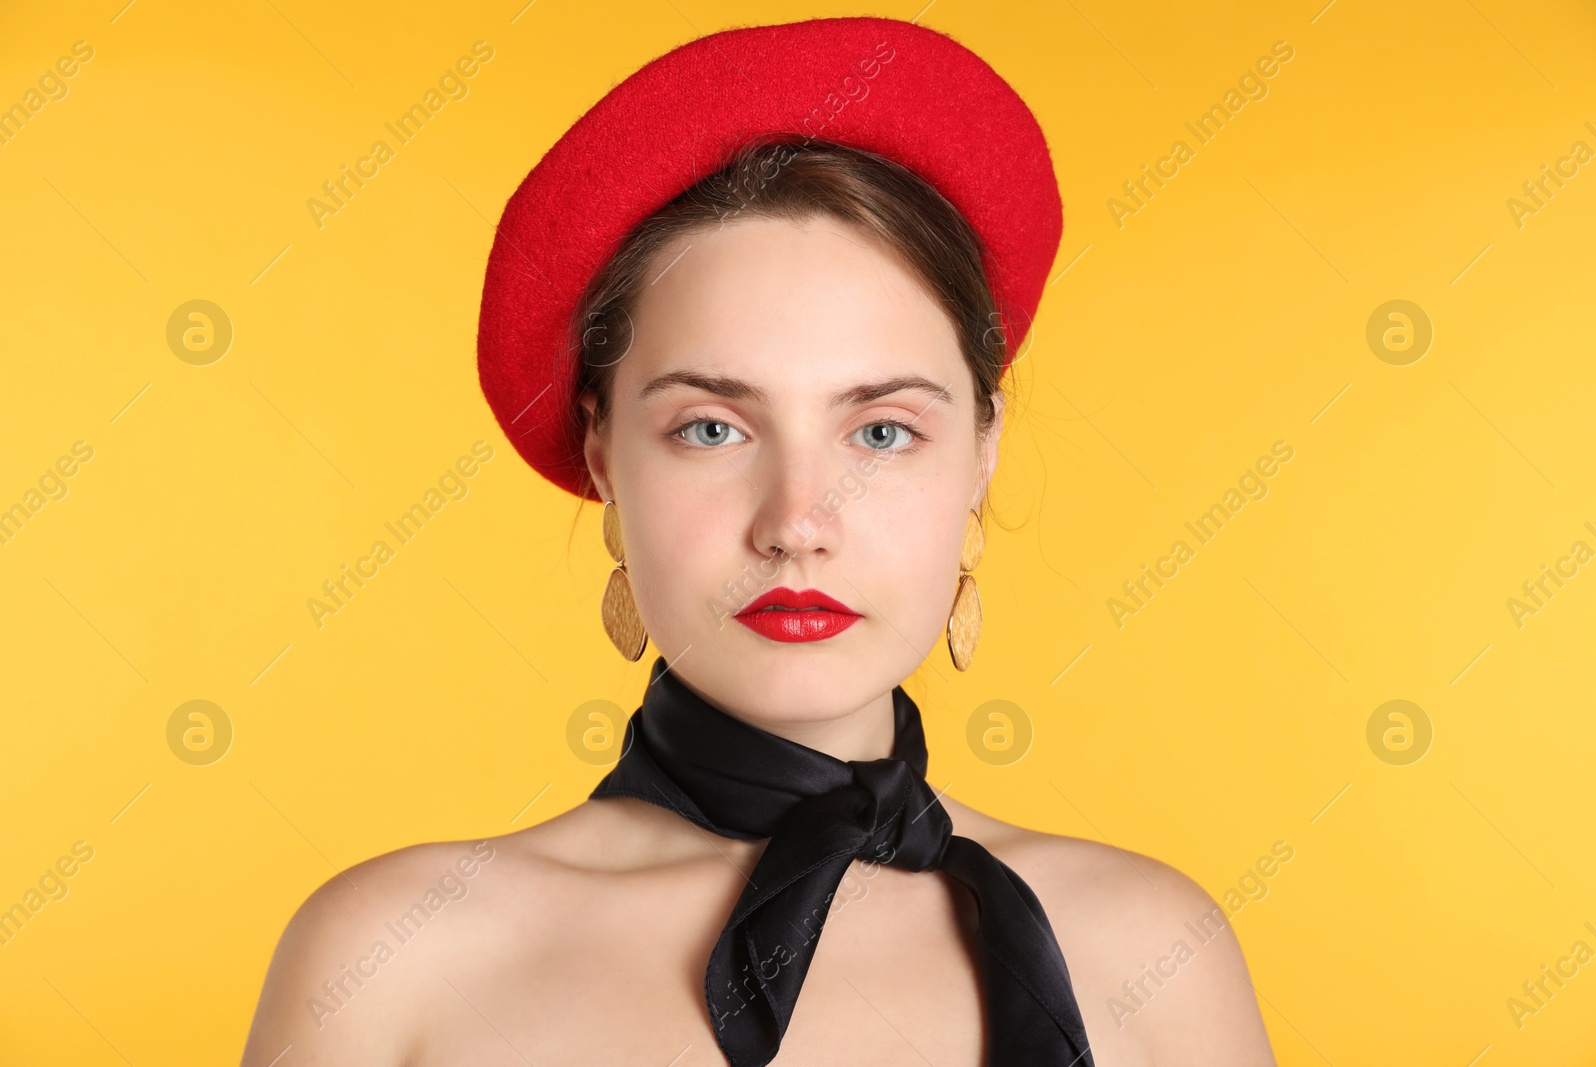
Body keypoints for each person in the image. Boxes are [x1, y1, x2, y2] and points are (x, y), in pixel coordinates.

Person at [242, 17, 1276, 1067]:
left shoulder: (1154, 953)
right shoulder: (392, 961)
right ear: (601, 450)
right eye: (712, 428)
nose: (794, 522)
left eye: (881, 430)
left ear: (980, 450)